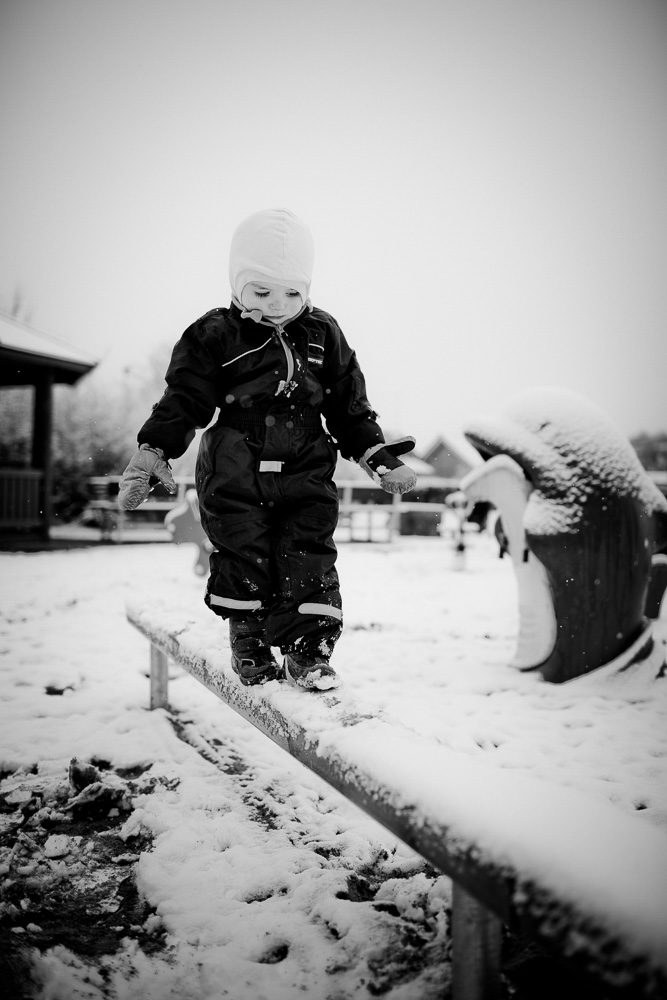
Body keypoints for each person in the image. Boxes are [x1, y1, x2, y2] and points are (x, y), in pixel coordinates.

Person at [118, 208, 417, 690]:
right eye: (262, 291)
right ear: (237, 281)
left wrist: (375, 454)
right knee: (244, 551)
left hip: (305, 464)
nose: (278, 304)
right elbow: (185, 397)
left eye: (292, 292)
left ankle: (309, 650)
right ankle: (250, 637)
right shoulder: (214, 333)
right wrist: (157, 447)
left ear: (307, 288)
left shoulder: (323, 333)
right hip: (235, 465)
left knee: (309, 551)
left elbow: (348, 405)